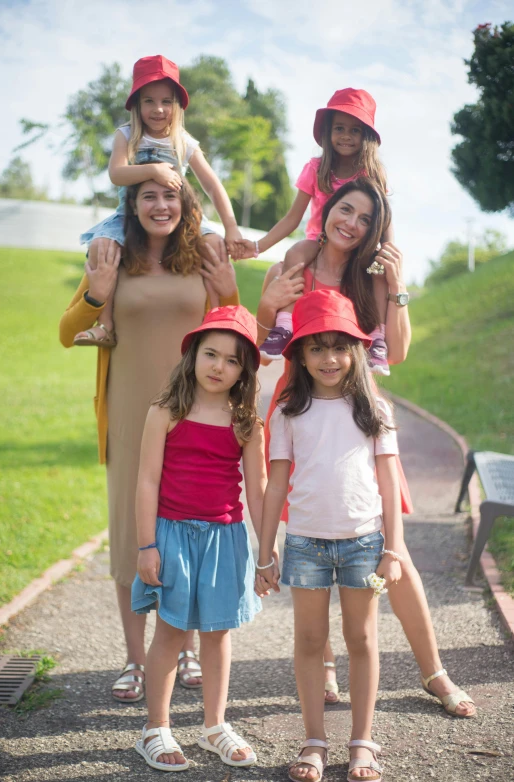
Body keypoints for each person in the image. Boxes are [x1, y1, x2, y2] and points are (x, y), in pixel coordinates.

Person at [256, 179, 476, 719]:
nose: (350, 223)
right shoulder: (297, 259)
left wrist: (397, 285)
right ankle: (325, 667)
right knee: (312, 529)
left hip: (359, 412)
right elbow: (264, 347)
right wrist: (264, 307)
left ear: (373, 230)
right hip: (299, 406)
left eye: (363, 218)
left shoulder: (371, 275)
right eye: (343, 209)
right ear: (326, 209)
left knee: (382, 537)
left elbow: (393, 352)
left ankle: (434, 670)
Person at [59, 174, 238, 702]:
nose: (161, 205)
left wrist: (227, 288)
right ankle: (136, 660)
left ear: (185, 204)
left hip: (196, 417)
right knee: (129, 538)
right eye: (149, 196)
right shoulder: (110, 254)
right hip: (130, 415)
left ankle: (181, 649)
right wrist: (96, 294)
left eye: (170, 196)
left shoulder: (202, 256)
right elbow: (68, 332)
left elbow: (234, 325)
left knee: (190, 532)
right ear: (132, 204)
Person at [256, 289, 403, 782]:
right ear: (299, 353)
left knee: (361, 638)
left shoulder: (374, 409)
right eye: (316, 347)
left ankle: (362, 742)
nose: (330, 358)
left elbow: (389, 482)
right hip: (305, 544)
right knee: (310, 640)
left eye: (339, 346)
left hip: (365, 543)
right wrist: (265, 551)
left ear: (357, 350)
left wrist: (394, 548)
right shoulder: (288, 413)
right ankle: (314, 740)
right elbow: (275, 484)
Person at [131, 305, 269, 772]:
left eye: (232, 360)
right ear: (192, 354)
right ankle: (156, 728)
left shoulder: (246, 420)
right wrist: (146, 545)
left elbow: (259, 490)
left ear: (244, 370)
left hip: (224, 539)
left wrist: (265, 553)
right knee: (171, 632)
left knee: (217, 633)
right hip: (171, 536)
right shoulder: (166, 410)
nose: (218, 366)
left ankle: (214, 726)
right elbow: (147, 480)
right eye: (211, 354)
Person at [74, 54, 243, 349]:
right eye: (149, 101)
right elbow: (116, 174)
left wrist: (231, 228)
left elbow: (214, 187)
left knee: (214, 245)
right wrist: (153, 170)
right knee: (101, 246)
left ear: (177, 105)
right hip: (128, 216)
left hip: (178, 217)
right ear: (137, 104)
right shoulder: (126, 136)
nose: (158, 109)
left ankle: (214, 322)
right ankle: (106, 325)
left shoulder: (185, 143)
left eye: (166, 101)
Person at [234, 88, 392, 374]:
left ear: (366, 136)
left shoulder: (372, 174)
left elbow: (384, 218)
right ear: (327, 132)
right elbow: (292, 218)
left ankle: (378, 338)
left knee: (378, 274)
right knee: (296, 253)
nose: (346, 135)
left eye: (354, 130)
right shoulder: (317, 169)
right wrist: (258, 247)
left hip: (359, 247)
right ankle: (284, 324)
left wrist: (389, 255)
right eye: (339, 128)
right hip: (318, 241)